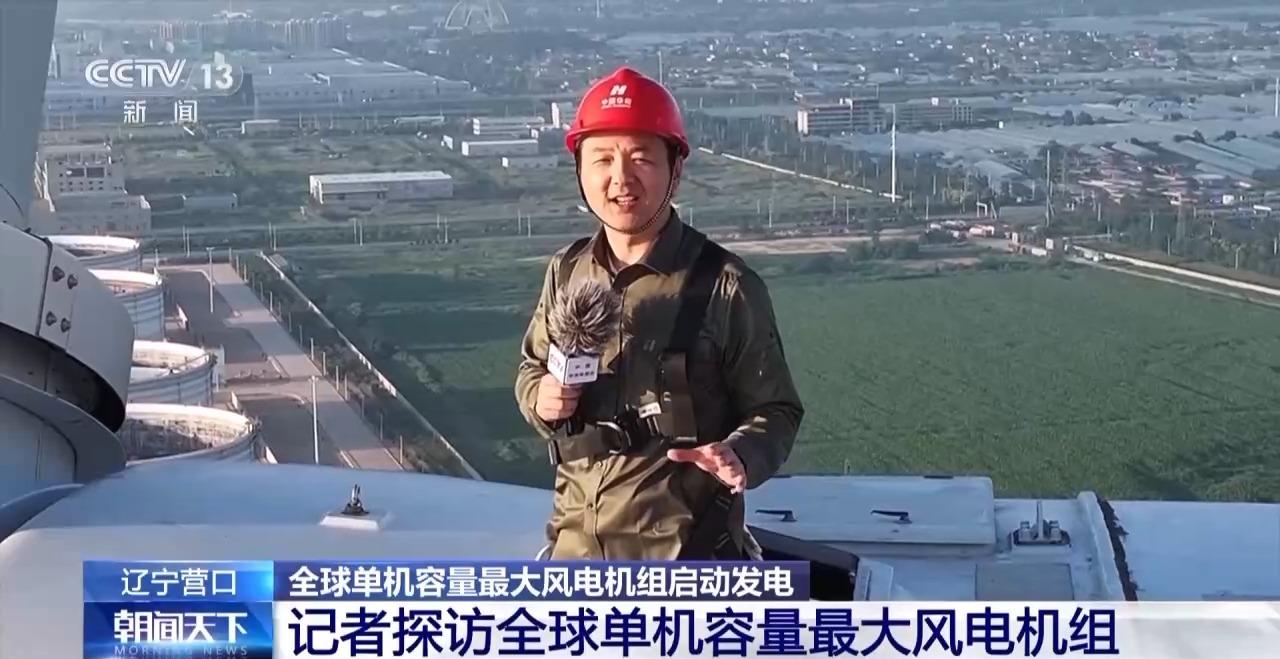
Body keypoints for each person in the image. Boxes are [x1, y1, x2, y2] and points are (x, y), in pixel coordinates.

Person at [515, 66, 803, 560]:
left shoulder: (724, 285)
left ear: (676, 169)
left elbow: (777, 410)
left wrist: (740, 454)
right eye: (602, 159)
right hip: (574, 554)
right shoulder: (567, 271)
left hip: (684, 565)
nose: (620, 178)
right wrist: (541, 398)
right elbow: (531, 367)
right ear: (580, 170)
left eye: (641, 159)